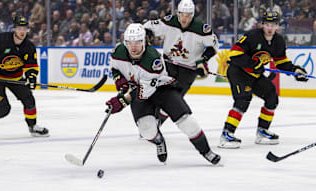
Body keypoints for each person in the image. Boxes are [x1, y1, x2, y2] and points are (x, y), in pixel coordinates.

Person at [105, 23, 221, 165]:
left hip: (162, 90)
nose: (133, 47)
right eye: (130, 43)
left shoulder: (153, 59)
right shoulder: (118, 53)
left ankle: (206, 151)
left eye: (137, 43)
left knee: (187, 122)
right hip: (140, 94)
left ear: (144, 41)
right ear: (125, 42)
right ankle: (159, 140)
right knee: (147, 130)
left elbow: (145, 90)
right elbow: (115, 69)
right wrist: (121, 81)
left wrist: (123, 101)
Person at [218, 11, 308, 149]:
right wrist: (253, 64)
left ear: (278, 26)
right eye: (267, 24)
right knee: (243, 99)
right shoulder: (251, 36)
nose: (270, 28)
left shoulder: (278, 41)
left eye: (273, 25)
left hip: (255, 75)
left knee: (271, 95)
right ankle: (226, 134)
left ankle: (262, 132)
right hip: (238, 73)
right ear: (262, 24)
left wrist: (295, 70)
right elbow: (234, 54)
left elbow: (281, 62)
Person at [0, 16, 49, 138]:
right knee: (2, 109)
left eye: (25, 28)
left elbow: (31, 65)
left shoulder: (29, 46)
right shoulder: (0, 41)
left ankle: (32, 127)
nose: (22, 31)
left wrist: (31, 77)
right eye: (19, 28)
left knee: (29, 100)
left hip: (15, 78)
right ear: (14, 29)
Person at [143, 0, 219, 123]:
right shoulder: (170, 21)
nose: (184, 18)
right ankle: (151, 122)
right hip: (168, 65)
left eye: (188, 15)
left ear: (192, 15)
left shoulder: (202, 29)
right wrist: (147, 38)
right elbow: (147, 27)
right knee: (160, 94)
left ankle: (157, 122)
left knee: (174, 99)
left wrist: (202, 61)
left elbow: (213, 47)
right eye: (182, 14)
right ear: (178, 13)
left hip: (188, 70)